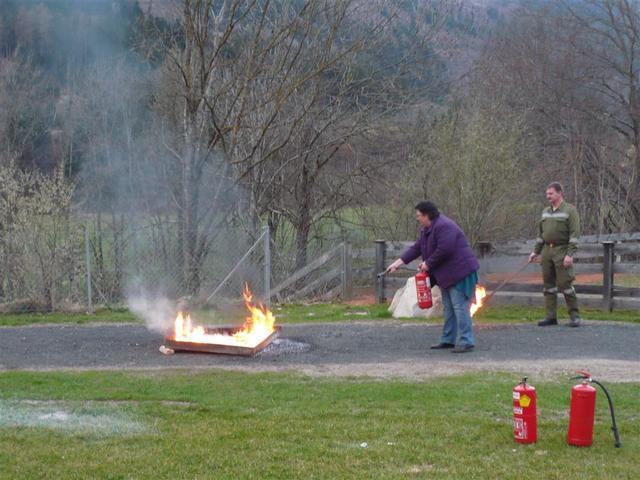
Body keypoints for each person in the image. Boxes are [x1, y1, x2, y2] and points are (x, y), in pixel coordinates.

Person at [386, 201, 480, 353]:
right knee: (449, 307)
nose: (417, 218)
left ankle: (466, 341)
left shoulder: (444, 226)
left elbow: (445, 249)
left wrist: (428, 264)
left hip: (461, 273)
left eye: (418, 215)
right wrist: (398, 263)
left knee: (460, 307)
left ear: (427, 215)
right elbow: (417, 248)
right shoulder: (428, 229)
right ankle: (448, 340)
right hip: (448, 275)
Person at [528, 182, 581, 327]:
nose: (548, 196)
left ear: (559, 193)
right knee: (548, 286)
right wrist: (536, 251)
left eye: (550, 194)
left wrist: (570, 254)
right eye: (547, 194)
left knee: (565, 284)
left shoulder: (570, 210)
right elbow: (541, 234)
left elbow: (575, 234)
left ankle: (575, 316)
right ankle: (551, 317)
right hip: (547, 251)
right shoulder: (545, 211)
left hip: (562, 251)